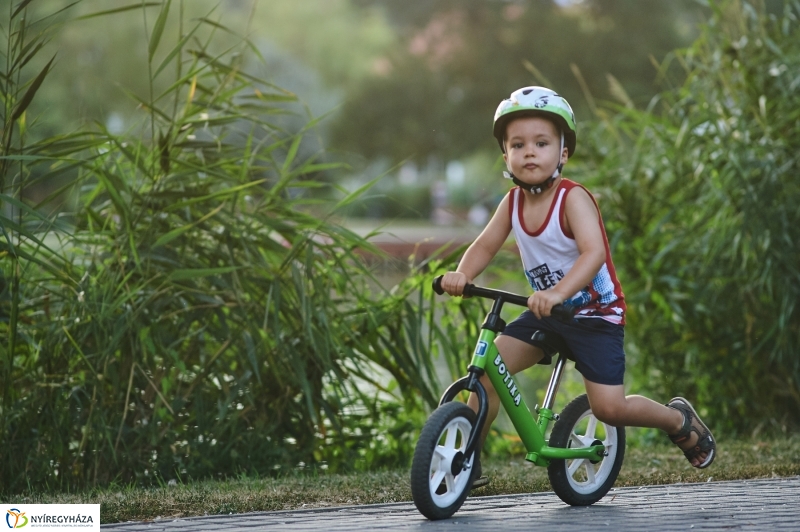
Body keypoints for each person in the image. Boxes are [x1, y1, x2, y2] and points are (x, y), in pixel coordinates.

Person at [440, 86, 716, 488]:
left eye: (541, 143)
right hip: (548, 314)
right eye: (518, 145)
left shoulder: (572, 199)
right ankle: (469, 465)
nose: (529, 152)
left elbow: (593, 254)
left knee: (609, 408)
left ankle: (678, 419)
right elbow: (484, 244)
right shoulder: (512, 203)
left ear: (563, 153)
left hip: (595, 316)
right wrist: (462, 273)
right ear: (506, 156)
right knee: (487, 374)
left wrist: (557, 293)